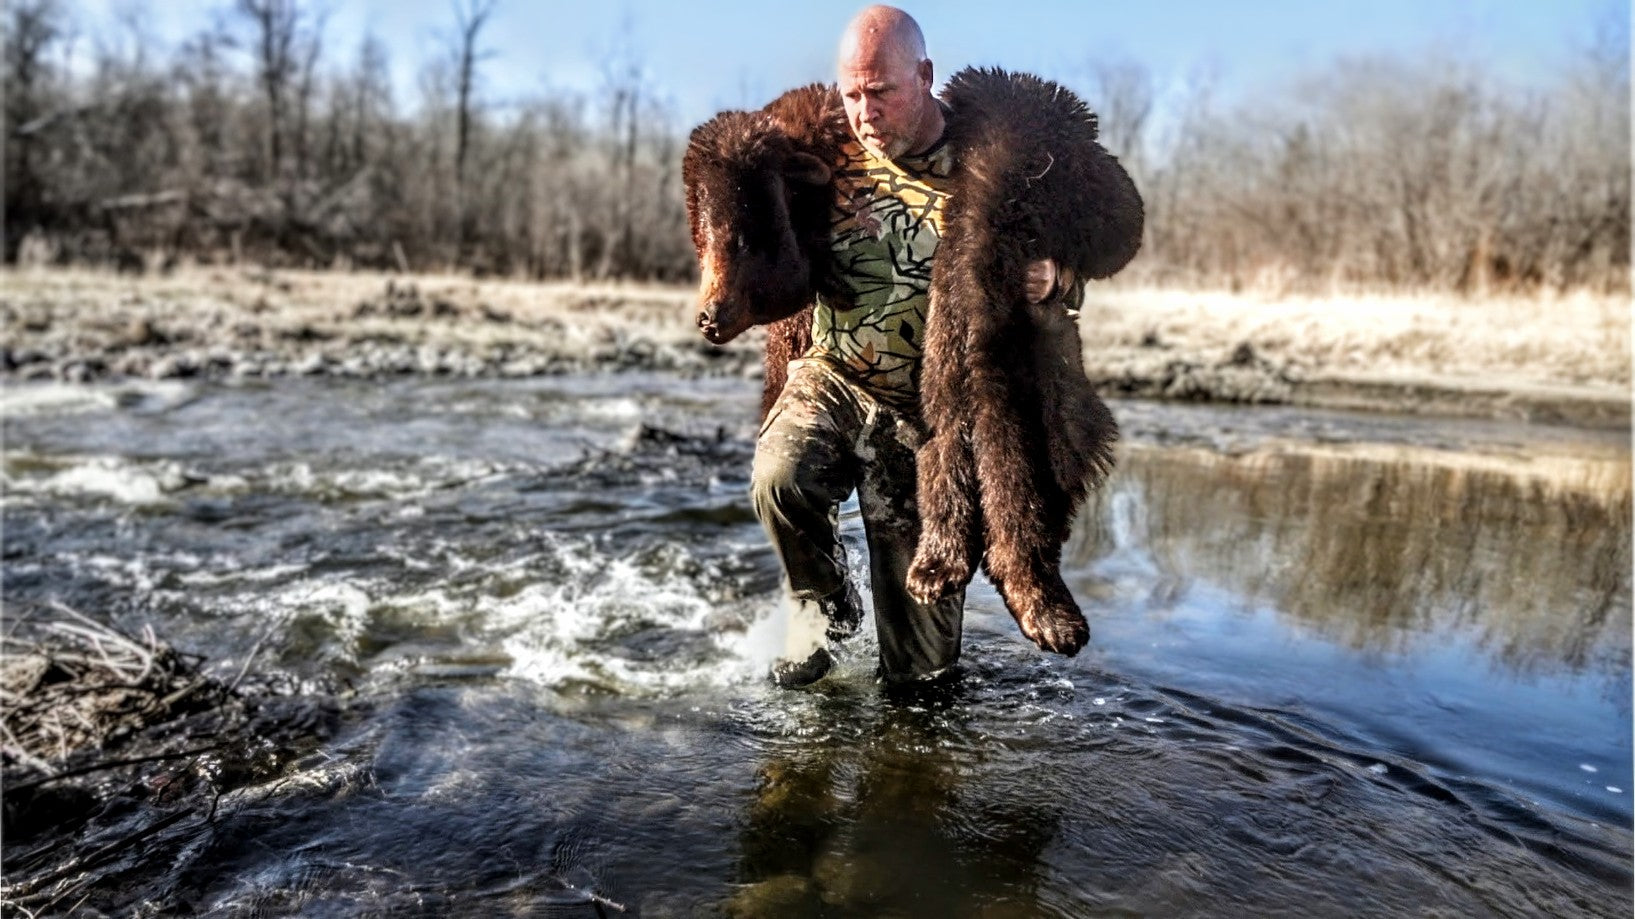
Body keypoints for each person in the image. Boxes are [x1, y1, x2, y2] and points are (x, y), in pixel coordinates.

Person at [751, 5, 1074, 688]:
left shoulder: (992, 162)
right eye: (851, 93)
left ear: (924, 76)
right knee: (780, 476)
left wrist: (1057, 278)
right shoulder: (823, 152)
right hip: (834, 377)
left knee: (920, 680)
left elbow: (1079, 262)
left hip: (934, 422)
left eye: (881, 92)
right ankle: (826, 605)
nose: (864, 112)